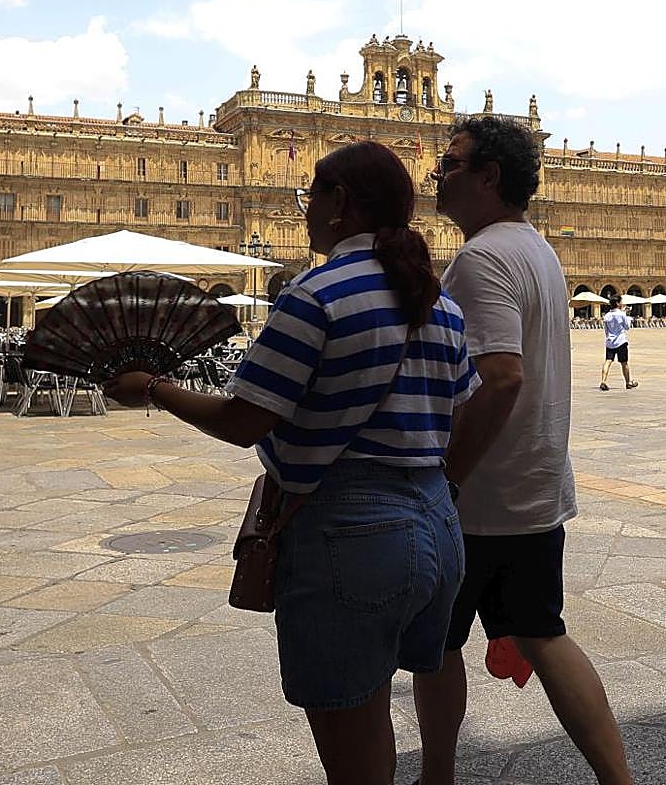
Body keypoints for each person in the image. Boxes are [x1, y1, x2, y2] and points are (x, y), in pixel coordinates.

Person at [103, 141, 478, 785]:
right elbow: (463, 408)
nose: (305, 209)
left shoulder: (315, 294)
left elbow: (245, 420)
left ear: (339, 205)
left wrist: (153, 390)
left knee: (349, 735)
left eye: (312, 196)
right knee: (376, 711)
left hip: (351, 532)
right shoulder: (438, 304)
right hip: (438, 524)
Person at [413, 115, 631, 785]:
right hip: (533, 488)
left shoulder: (481, 258)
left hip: (479, 497)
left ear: (488, 177)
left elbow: (503, 375)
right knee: (545, 634)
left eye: (450, 164)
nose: (436, 175)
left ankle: (438, 776)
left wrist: (448, 476)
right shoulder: (535, 249)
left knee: (436, 646)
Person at [599, 296, 637, 390]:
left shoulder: (607, 315)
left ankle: (603, 381)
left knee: (608, 361)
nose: (622, 303)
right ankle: (628, 383)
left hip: (610, 342)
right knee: (624, 363)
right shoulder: (622, 314)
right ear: (617, 303)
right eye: (621, 302)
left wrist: (609, 338)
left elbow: (606, 331)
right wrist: (627, 316)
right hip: (621, 341)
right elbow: (627, 327)